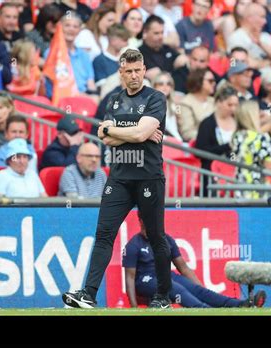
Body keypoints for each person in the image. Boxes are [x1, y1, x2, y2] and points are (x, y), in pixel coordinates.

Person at [62, 49, 172, 309]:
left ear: (144, 71)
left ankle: (163, 295)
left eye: (138, 70)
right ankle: (88, 294)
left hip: (148, 178)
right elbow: (106, 137)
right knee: (103, 234)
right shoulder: (113, 101)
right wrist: (134, 132)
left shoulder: (156, 98)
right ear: (121, 73)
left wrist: (124, 131)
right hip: (120, 178)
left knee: (156, 237)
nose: (133, 76)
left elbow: (133, 134)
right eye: (128, 71)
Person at [124, 211, 267, 308]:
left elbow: (184, 268)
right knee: (173, 287)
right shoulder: (133, 245)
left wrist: (201, 290)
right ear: (140, 221)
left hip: (166, 276)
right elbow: (130, 278)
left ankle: (240, 304)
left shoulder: (166, 240)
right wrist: (134, 307)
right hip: (145, 280)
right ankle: (204, 310)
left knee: (196, 289)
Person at [195, 85, 239, 196]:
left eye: (235, 105)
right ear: (219, 102)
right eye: (229, 105)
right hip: (212, 174)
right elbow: (200, 151)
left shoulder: (239, 122)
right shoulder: (207, 123)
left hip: (235, 173)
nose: (233, 109)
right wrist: (226, 146)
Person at [43, 12, 97, 99]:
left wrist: (94, 96)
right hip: (60, 98)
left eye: (75, 26)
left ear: (79, 30)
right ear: (60, 27)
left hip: (83, 98)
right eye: (67, 25)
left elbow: (90, 83)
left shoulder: (84, 55)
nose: (71, 29)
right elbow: (56, 83)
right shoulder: (51, 52)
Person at [230, 100, 271, 198]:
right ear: (251, 116)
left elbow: (233, 159)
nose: (260, 113)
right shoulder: (260, 139)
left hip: (240, 190)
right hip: (257, 193)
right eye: (258, 112)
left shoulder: (236, 137)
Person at [226, 3, 271, 69]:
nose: (265, 22)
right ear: (250, 17)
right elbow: (244, 64)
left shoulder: (265, 36)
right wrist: (270, 62)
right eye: (262, 17)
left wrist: (261, 44)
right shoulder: (236, 37)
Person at [139, 15, 184, 81]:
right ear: (145, 32)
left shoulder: (167, 48)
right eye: (156, 33)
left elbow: (181, 59)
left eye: (162, 32)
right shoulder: (139, 53)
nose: (160, 36)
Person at [177, 68, 215, 142]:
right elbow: (187, 133)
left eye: (214, 80)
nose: (214, 83)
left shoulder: (214, 101)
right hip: (199, 148)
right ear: (198, 81)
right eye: (210, 81)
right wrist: (211, 138)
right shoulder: (185, 103)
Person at [152, 72, 182, 140]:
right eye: (161, 84)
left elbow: (180, 121)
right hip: (163, 141)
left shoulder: (174, 104)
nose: (165, 87)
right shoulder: (150, 104)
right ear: (154, 86)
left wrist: (178, 106)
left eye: (168, 84)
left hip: (177, 139)